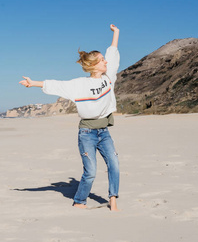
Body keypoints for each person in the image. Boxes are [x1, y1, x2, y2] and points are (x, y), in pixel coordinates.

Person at [19, 24, 121, 211]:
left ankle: (113, 200)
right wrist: (33, 83)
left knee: (114, 164)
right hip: (87, 133)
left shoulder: (109, 77)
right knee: (90, 172)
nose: (105, 62)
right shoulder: (79, 85)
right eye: (101, 60)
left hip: (104, 132)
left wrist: (116, 33)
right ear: (93, 65)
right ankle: (79, 201)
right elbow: (57, 85)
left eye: (105, 60)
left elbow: (113, 53)